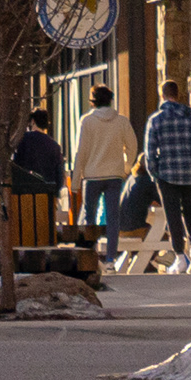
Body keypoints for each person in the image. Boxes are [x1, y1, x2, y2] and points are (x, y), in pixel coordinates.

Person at [72, 83, 139, 256]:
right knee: (113, 219)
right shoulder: (121, 121)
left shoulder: (86, 121)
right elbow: (132, 146)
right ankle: (110, 259)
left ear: (92, 101)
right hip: (114, 176)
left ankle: (90, 256)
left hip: (92, 175)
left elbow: (81, 151)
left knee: (90, 218)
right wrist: (126, 168)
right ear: (110, 100)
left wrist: (75, 180)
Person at [142, 86, 191, 260]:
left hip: (167, 173)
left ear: (161, 95)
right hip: (188, 172)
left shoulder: (156, 120)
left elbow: (150, 151)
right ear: (178, 95)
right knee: (190, 210)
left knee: (173, 214)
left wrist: (154, 174)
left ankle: (179, 255)